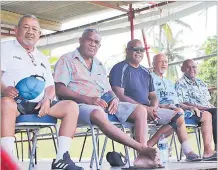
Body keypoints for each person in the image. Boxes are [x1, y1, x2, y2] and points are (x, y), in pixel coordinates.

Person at [54, 28, 161, 168]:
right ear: (81, 41)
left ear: (99, 46)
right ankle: (142, 148)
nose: (93, 44)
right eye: (89, 40)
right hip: (78, 105)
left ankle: (141, 159)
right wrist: (88, 99)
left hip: (102, 103)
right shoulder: (67, 59)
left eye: (96, 42)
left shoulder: (99, 64)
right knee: (98, 113)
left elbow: (108, 90)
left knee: (141, 110)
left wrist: (114, 99)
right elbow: (59, 89)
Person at [1, 14, 83, 170]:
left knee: (71, 106)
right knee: (6, 102)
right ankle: (7, 160)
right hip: (14, 102)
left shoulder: (42, 57)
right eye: (26, 27)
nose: (30, 32)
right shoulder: (5, 47)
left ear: (39, 34)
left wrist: (47, 100)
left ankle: (61, 159)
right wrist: (5, 89)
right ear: (16, 30)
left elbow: (50, 87)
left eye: (34, 29)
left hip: (39, 105)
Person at [109, 39, 201, 161]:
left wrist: (153, 108)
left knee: (178, 115)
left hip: (147, 108)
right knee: (141, 110)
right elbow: (119, 95)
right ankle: (143, 156)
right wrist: (147, 109)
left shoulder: (145, 72)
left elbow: (153, 96)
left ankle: (182, 151)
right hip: (125, 108)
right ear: (127, 51)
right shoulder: (119, 68)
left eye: (141, 50)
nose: (139, 52)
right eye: (135, 49)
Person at [151, 53, 217, 161]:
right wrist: (165, 106)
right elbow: (149, 99)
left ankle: (208, 151)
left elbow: (178, 102)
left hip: (177, 109)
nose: (164, 64)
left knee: (207, 115)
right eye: (160, 61)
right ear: (153, 64)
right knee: (179, 112)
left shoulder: (169, 82)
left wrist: (189, 107)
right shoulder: (150, 79)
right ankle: (188, 151)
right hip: (162, 110)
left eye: (166, 62)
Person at [175, 59, 217, 151]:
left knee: (216, 111)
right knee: (216, 112)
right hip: (193, 112)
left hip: (207, 109)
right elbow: (182, 102)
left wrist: (211, 106)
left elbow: (206, 101)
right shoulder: (180, 83)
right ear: (182, 69)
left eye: (194, 67)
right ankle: (215, 149)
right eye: (188, 68)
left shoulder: (201, 82)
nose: (192, 69)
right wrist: (205, 108)